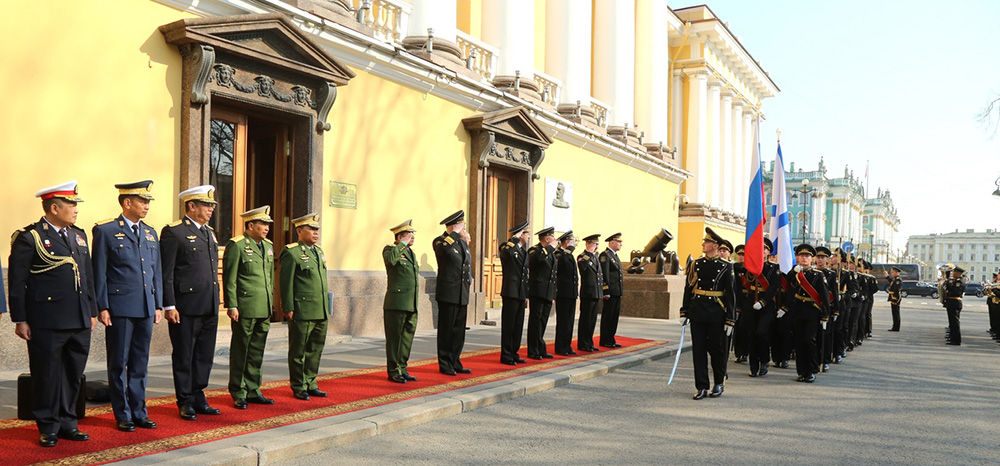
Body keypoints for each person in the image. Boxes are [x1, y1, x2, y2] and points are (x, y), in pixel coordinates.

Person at [9, 181, 97, 447]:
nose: (75, 209)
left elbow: (88, 277)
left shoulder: (79, 235)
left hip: (79, 318)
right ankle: (48, 425)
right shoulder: (31, 237)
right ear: (54, 207)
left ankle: (69, 421)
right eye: (71, 205)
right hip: (47, 320)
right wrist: (20, 319)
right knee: (46, 375)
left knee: (73, 373)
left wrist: (92, 311)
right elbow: (17, 281)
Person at [92, 180, 162, 432]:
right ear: (127, 202)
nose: (146, 206)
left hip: (145, 307)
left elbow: (157, 273)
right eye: (142, 201)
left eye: (148, 202)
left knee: (140, 363)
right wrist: (102, 306)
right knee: (118, 363)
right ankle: (122, 413)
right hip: (120, 307)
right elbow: (99, 272)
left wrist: (158, 304)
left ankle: (139, 411)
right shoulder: (107, 231)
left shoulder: (151, 232)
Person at [160, 185, 221, 420]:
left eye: (212, 205)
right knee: (184, 354)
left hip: (209, 303)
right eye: (206, 205)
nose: (211, 209)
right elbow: (167, 272)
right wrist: (169, 305)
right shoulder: (174, 232)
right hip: (185, 306)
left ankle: (198, 394)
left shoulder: (209, 233)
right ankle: (184, 399)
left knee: (204, 354)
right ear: (191, 206)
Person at [222, 206, 276, 409]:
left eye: (268, 225)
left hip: (263, 306)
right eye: (262, 224)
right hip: (245, 307)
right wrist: (232, 304)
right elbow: (231, 278)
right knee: (241, 350)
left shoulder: (268, 247)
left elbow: (269, 277)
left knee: (256, 351)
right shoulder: (237, 245)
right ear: (251, 225)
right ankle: (238, 391)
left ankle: (254, 389)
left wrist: (271, 302)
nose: (266, 228)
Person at [280, 213, 331, 399]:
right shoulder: (292, 252)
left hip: (320, 309)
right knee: (298, 350)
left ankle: (311, 382)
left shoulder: (319, 252)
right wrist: (288, 307)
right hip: (302, 309)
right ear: (300, 231)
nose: (316, 232)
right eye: (311, 229)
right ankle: (298, 385)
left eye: (317, 229)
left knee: (315, 349)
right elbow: (286, 282)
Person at [680, 228, 735, 400]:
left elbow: (731, 294)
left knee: (717, 350)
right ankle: (702, 386)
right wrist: (684, 311)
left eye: (707, 242)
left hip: (716, 311)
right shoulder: (695, 264)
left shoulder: (726, 267)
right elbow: (689, 288)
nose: (703, 244)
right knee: (699, 351)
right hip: (697, 311)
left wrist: (730, 320)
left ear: (715, 246)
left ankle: (719, 382)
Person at [432, 210, 472, 375]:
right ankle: (444, 363)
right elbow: (443, 252)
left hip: (461, 293)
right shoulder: (440, 241)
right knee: (446, 330)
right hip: (448, 293)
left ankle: (455, 360)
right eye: (462, 225)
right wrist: (455, 233)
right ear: (455, 226)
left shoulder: (461, 243)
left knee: (458, 331)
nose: (464, 228)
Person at [784, 244, 830, 383]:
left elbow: (824, 297)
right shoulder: (796, 274)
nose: (804, 258)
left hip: (812, 312)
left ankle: (811, 370)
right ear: (797, 258)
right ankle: (801, 371)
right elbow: (788, 284)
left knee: (809, 341)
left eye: (808, 256)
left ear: (812, 259)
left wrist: (825, 315)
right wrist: (794, 272)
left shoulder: (818, 275)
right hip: (798, 311)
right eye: (802, 256)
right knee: (799, 342)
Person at [382, 220, 419, 383]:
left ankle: (402, 368)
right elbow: (391, 261)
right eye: (408, 234)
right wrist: (401, 244)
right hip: (396, 303)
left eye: (413, 234)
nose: (412, 237)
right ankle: (393, 371)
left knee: (406, 338)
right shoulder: (390, 250)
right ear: (399, 237)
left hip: (411, 303)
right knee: (395, 339)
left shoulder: (411, 253)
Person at [742, 239, 779, 377]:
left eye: (765, 248)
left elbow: (773, 288)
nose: (762, 250)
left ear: (769, 252)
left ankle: (764, 360)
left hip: (766, 305)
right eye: (759, 248)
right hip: (751, 302)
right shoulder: (750, 266)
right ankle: (753, 366)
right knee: (751, 335)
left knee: (761, 333)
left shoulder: (774, 268)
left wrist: (763, 302)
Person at [498, 221, 529, 365]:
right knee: (509, 325)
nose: (528, 236)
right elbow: (506, 253)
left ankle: (514, 352)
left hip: (520, 292)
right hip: (510, 292)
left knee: (518, 325)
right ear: (521, 234)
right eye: (527, 233)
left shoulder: (523, 251)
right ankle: (506, 354)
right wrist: (514, 238)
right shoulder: (507, 247)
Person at [527, 226, 558, 359]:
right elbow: (537, 259)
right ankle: (533, 350)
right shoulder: (535, 250)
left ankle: (540, 347)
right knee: (535, 321)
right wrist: (550, 247)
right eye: (553, 237)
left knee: (543, 321)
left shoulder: (550, 252)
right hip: (537, 291)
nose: (555, 239)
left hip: (547, 292)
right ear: (547, 238)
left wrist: (553, 294)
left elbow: (553, 274)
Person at [576, 234, 603, 352]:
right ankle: (583, 343)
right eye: (594, 244)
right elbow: (583, 268)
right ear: (588, 244)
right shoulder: (582, 257)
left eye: (597, 244)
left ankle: (589, 342)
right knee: (585, 319)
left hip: (596, 292)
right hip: (587, 292)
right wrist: (589, 253)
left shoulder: (596, 257)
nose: (596, 246)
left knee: (592, 320)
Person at [554, 231, 579, 356]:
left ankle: (567, 345)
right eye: (572, 241)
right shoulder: (559, 253)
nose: (574, 244)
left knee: (569, 321)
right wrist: (569, 249)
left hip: (571, 292)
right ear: (566, 242)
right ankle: (560, 347)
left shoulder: (570, 255)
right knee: (563, 321)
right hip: (563, 293)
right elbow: (562, 262)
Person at [814, 247, 838, 372]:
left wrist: (835, 310)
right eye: (818, 257)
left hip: (826, 308)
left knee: (826, 336)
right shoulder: (811, 272)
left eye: (822, 258)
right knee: (815, 336)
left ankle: (825, 359)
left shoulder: (831, 274)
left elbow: (834, 292)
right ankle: (815, 360)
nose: (820, 260)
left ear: (827, 260)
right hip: (813, 308)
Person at [599, 233, 624, 348]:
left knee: (614, 317)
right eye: (619, 242)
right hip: (610, 291)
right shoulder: (605, 255)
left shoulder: (615, 256)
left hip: (617, 291)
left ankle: (611, 338)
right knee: (608, 316)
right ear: (612, 243)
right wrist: (606, 290)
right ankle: (605, 339)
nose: (621, 244)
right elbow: (605, 274)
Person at [944, 266, 966, 346]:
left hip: (955, 302)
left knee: (955, 323)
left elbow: (955, 292)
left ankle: (956, 340)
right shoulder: (956, 281)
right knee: (952, 322)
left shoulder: (959, 282)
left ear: (958, 273)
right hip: (952, 302)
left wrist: (949, 286)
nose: (953, 273)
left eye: (954, 272)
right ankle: (953, 338)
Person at [887, 266, 902, 332]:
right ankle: (894, 326)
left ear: (896, 272)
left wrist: (895, 299)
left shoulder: (898, 279)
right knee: (894, 313)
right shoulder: (895, 279)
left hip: (895, 298)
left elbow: (897, 290)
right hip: (893, 297)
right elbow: (891, 282)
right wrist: (887, 276)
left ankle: (896, 327)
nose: (892, 273)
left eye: (892, 272)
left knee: (896, 313)